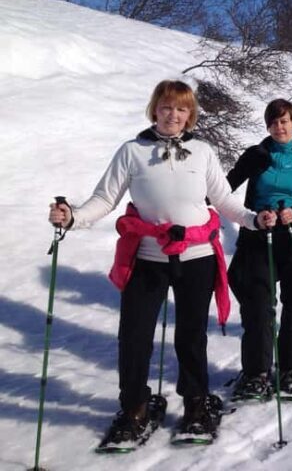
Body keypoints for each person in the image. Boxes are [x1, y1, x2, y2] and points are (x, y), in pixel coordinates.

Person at [47, 80, 270, 447]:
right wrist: (72, 217)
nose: (174, 115)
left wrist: (253, 219)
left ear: (190, 115)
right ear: (155, 109)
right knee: (134, 336)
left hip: (195, 257)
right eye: (167, 107)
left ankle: (196, 403)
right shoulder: (132, 151)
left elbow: (224, 200)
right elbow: (105, 198)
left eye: (181, 109)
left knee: (191, 336)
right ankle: (134, 406)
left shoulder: (202, 152)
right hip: (148, 259)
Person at [226, 99, 292, 402]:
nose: (279, 127)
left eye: (285, 121)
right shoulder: (257, 154)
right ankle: (256, 372)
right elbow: (225, 186)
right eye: (274, 122)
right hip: (259, 232)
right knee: (257, 304)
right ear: (267, 125)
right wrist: (256, 213)